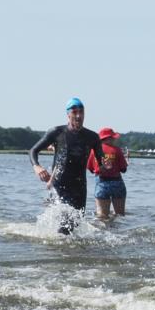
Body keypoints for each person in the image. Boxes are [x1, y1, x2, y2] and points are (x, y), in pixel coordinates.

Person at [29, 97, 104, 234]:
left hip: (79, 188)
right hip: (59, 186)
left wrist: (106, 166)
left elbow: (101, 163)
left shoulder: (92, 137)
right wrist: (37, 167)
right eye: (75, 112)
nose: (78, 116)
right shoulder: (57, 132)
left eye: (81, 112)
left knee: (74, 226)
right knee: (62, 227)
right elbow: (33, 151)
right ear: (68, 114)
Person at [86, 126, 128, 219]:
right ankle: (118, 228)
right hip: (117, 183)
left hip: (102, 184)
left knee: (102, 216)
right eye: (113, 138)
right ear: (108, 138)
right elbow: (123, 169)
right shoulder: (117, 150)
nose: (114, 140)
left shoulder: (93, 151)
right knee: (120, 215)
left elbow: (91, 169)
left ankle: (103, 228)